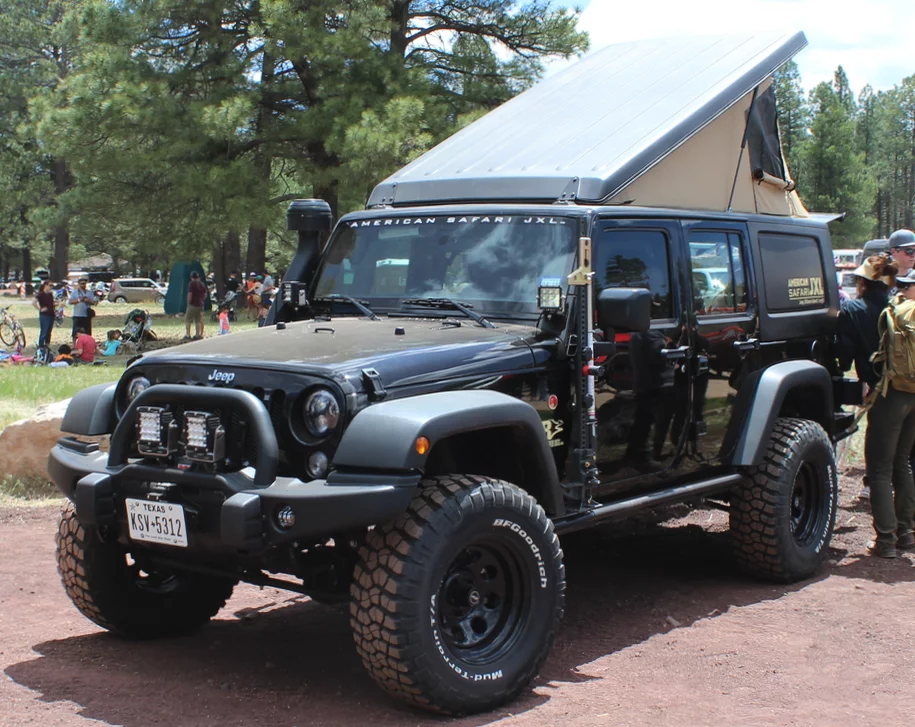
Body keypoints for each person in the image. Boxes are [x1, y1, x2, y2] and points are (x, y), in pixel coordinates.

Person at [860, 268, 915, 557]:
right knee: (903, 462)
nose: (902, 289)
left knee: (880, 469)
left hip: (892, 393)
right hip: (914, 394)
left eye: (907, 285)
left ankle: (885, 541)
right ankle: (906, 533)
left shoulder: (897, 311)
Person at [836, 253, 898, 502]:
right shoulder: (900, 307)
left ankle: (872, 488)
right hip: (907, 381)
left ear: (863, 282)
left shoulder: (853, 309)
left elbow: (845, 355)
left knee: (878, 441)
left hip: (877, 387)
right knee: (904, 447)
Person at [32, 280, 56, 349]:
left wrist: (56, 305)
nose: (51, 287)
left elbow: (51, 303)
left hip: (51, 314)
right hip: (44, 315)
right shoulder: (41, 294)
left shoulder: (50, 294)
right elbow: (34, 302)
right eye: (50, 285)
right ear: (45, 285)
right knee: (44, 331)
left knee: (49, 331)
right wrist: (40, 309)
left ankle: (47, 345)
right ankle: (41, 346)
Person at [184, 270, 207, 341]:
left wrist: (188, 303)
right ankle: (198, 335)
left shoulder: (192, 284)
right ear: (198, 277)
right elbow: (205, 294)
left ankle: (188, 335)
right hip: (200, 304)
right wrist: (201, 299)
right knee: (198, 320)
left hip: (193, 304)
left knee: (188, 320)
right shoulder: (202, 284)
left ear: (192, 277)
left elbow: (190, 294)